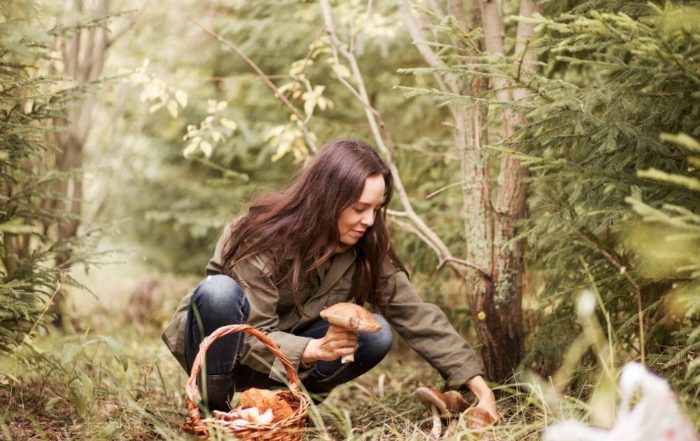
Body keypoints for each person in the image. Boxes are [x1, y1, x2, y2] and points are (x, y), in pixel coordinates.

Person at [161, 138, 498, 420]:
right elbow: (249, 336)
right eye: (359, 208)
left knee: (375, 336)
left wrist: (480, 390)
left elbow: (415, 314)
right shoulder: (258, 235)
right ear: (327, 200)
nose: (369, 220)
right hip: (225, 351)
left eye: (376, 209)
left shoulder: (366, 243)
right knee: (218, 292)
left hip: (287, 363)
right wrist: (311, 348)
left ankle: (287, 409)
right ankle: (214, 414)